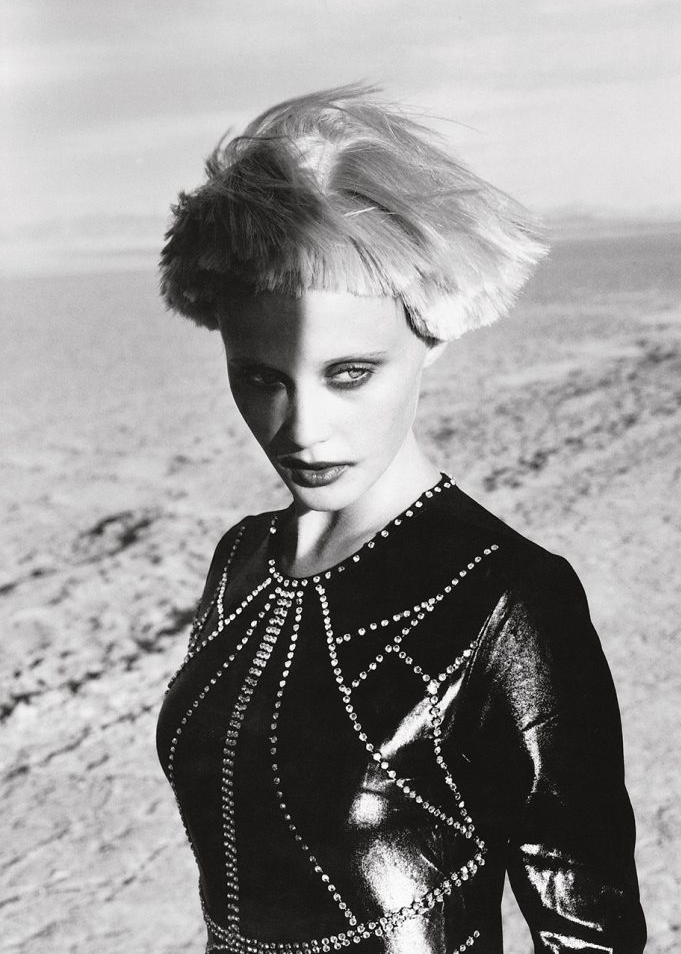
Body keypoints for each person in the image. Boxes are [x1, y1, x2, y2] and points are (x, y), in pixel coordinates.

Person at [156, 86, 646, 954]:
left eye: (350, 373)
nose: (303, 430)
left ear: (432, 336)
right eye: (261, 377)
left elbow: (589, 933)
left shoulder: (509, 598)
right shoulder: (241, 559)